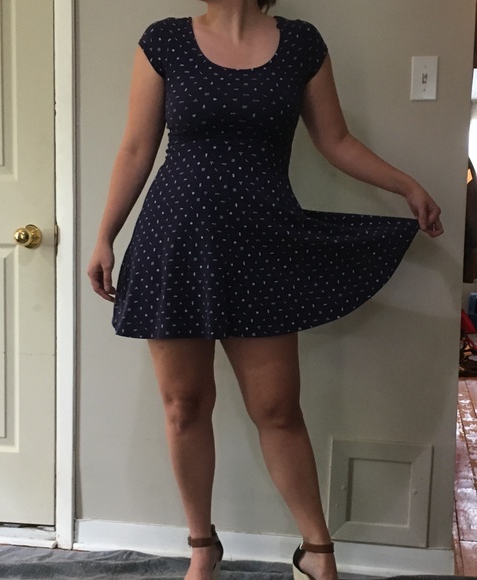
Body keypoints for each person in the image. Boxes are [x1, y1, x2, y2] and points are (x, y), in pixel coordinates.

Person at [87, 0, 443, 578]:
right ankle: (202, 547)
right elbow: (135, 148)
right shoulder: (165, 41)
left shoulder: (301, 44)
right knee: (184, 406)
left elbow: (336, 140)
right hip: (176, 241)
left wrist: (406, 185)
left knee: (277, 408)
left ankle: (317, 552)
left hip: (262, 244)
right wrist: (105, 234)